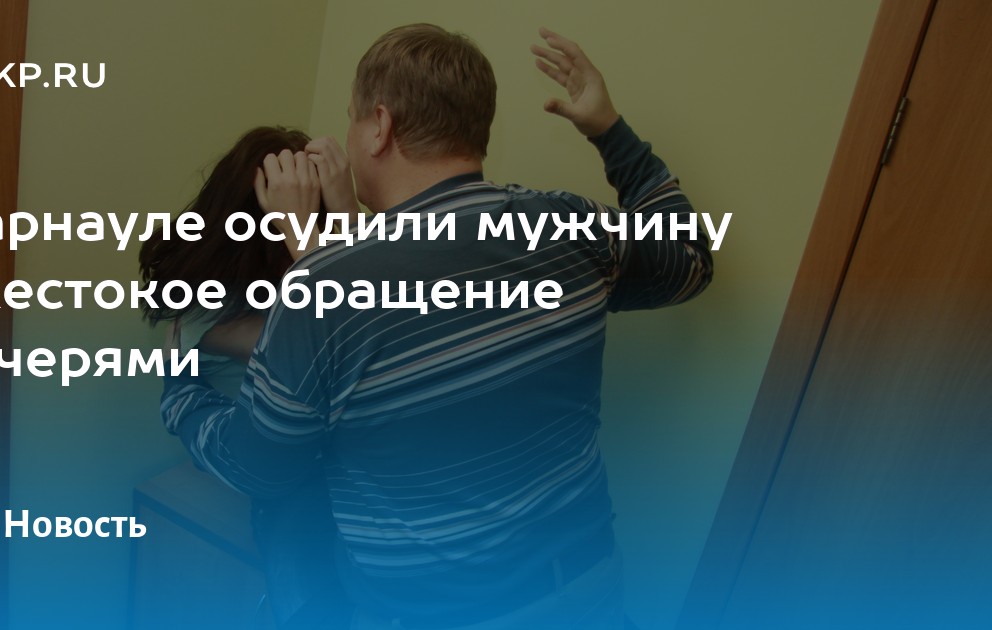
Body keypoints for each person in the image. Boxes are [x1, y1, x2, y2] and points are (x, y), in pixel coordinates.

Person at [159, 24, 714, 629]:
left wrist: (180, 393)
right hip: (589, 592)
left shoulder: (326, 286)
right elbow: (689, 261)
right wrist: (608, 129)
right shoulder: (569, 226)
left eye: (351, 120)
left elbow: (258, 467)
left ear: (380, 125)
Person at [138, 126, 355, 627]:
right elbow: (338, 347)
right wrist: (338, 225)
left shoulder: (288, 279)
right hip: (284, 478)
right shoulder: (204, 313)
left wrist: (344, 212)